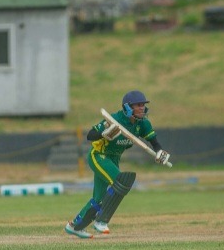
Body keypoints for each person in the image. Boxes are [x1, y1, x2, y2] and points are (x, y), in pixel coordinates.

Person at [64, 90, 171, 239]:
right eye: (138, 105)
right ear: (128, 107)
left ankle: (74, 226)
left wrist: (160, 152)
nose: (142, 108)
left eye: (143, 105)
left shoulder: (143, 124)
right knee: (120, 182)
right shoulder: (114, 119)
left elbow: (154, 143)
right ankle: (101, 220)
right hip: (99, 156)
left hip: (114, 159)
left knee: (98, 199)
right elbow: (90, 135)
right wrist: (105, 133)